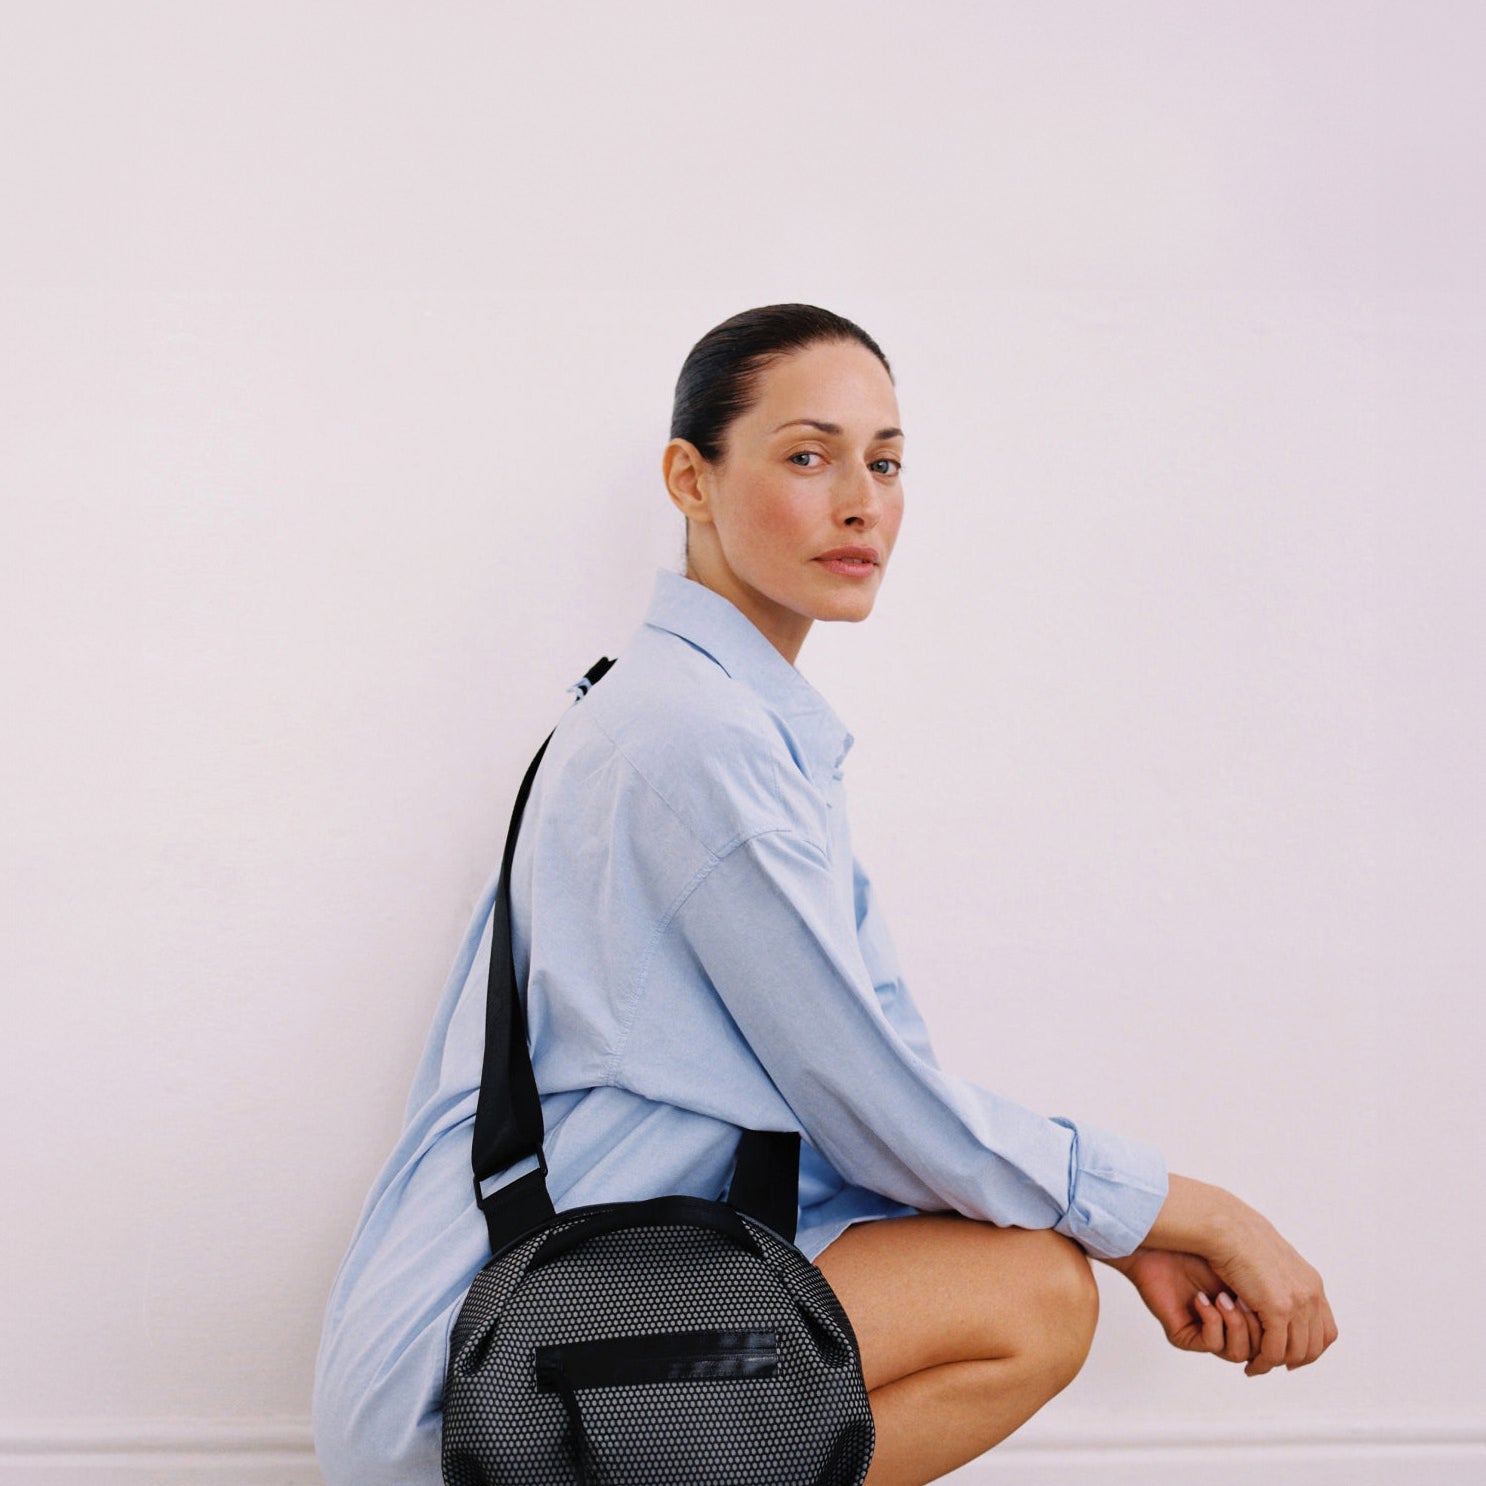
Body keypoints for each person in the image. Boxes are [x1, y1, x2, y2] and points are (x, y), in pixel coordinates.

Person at [313, 303, 1337, 1486]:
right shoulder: (694, 738)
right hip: (493, 1380)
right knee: (1029, 1298)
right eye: (808, 456)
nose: (861, 503)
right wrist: (1184, 1212)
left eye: (885, 463)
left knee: (1020, 1276)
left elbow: (869, 1115)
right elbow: (879, 1106)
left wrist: (1110, 1228)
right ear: (690, 479)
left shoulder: (698, 714)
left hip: (550, 1334)